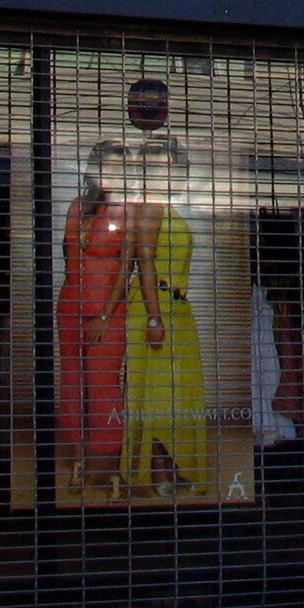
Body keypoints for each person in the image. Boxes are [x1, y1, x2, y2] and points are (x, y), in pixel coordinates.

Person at [123, 134, 210, 498]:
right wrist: (155, 319)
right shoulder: (148, 206)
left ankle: (174, 468)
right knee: (157, 396)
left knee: (177, 396)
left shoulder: (165, 206)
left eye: (171, 164)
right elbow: (143, 264)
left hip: (177, 308)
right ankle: (158, 471)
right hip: (153, 308)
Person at [54, 142, 134, 501]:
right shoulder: (78, 206)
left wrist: (104, 314)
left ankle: (109, 466)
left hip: (108, 308)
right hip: (71, 304)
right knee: (73, 384)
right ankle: (77, 461)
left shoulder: (129, 210)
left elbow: (127, 270)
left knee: (103, 387)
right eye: (105, 166)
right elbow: (70, 259)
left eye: (118, 168)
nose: (111, 174)